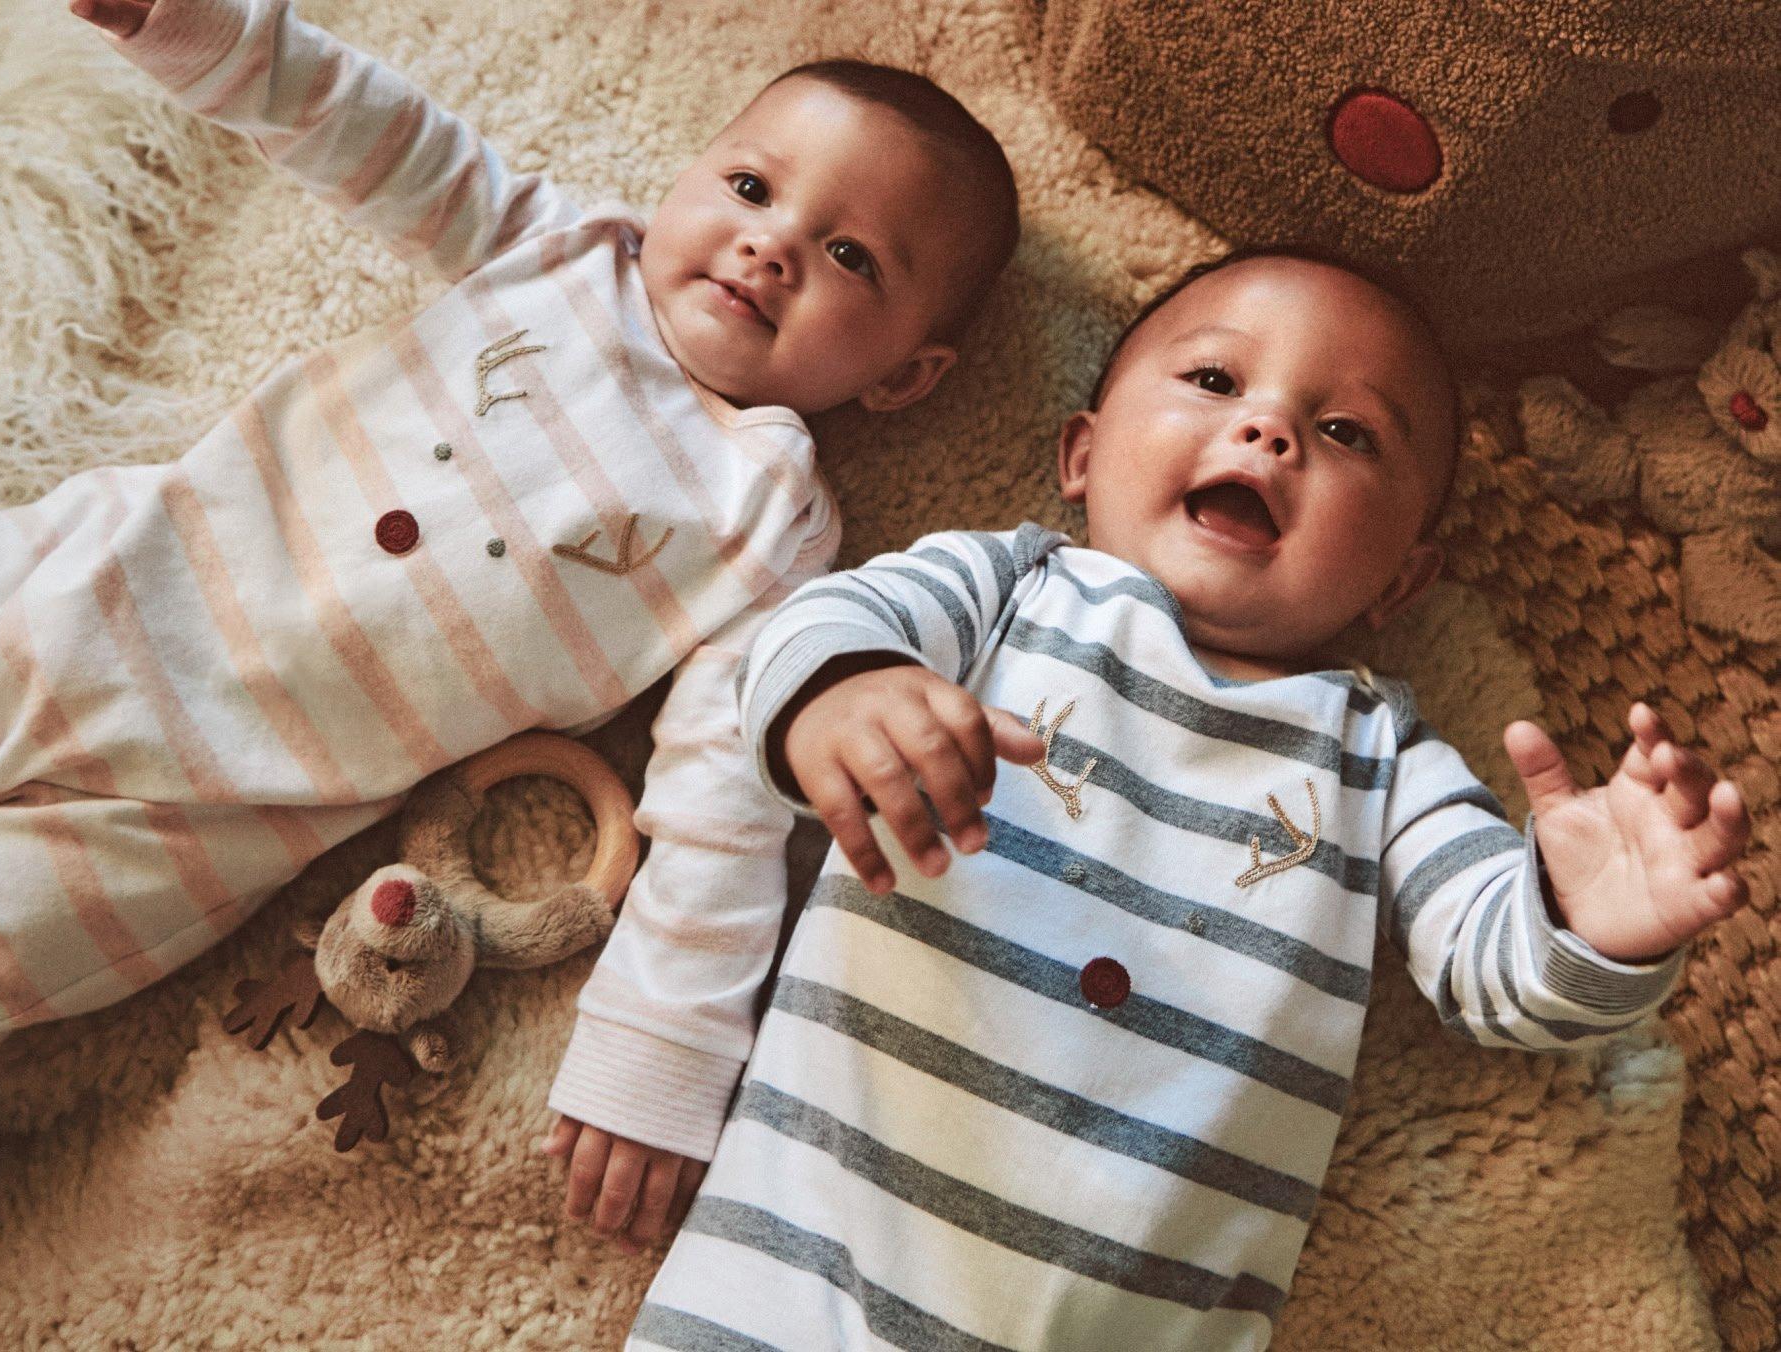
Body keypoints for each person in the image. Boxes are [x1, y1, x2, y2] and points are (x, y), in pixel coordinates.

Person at [590, 249, 1752, 1348]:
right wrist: (846, 695)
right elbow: (820, 624)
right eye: (1212, 379)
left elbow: (1492, 973)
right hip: (791, 1277)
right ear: (1081, 453)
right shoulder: (1009, 590)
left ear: (1400, 578)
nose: (1269, 429)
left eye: (1346, 432)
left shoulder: (1379, 758)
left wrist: (1588, 919)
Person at [0, 0, 1016, 1080]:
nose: (773, 245)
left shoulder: (772, 527)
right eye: (751, 189)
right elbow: (375, 134)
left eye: (850, 256)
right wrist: (206, 33)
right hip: (110, 574)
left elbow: (720, 790)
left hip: (224, 808)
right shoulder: (559, 256)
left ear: (905, 376)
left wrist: (663, 1035)